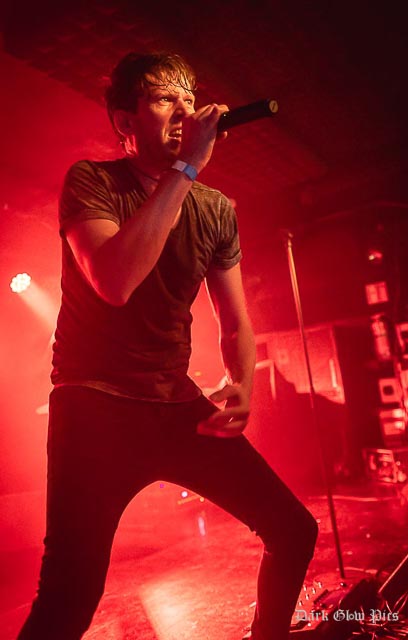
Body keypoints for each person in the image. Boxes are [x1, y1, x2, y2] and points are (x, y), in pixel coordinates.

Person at [17, 52, 318, 640]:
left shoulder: (215, 209)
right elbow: (115, 281)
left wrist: (244, 383)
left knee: (293, 531)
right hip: (95, 408)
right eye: (163, 99)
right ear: (124, 122)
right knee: (70, 597)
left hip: (175, 406)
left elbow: (235, 319)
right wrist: (186, 168)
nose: (184, 111)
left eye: (189, 98)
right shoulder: (91, 181)